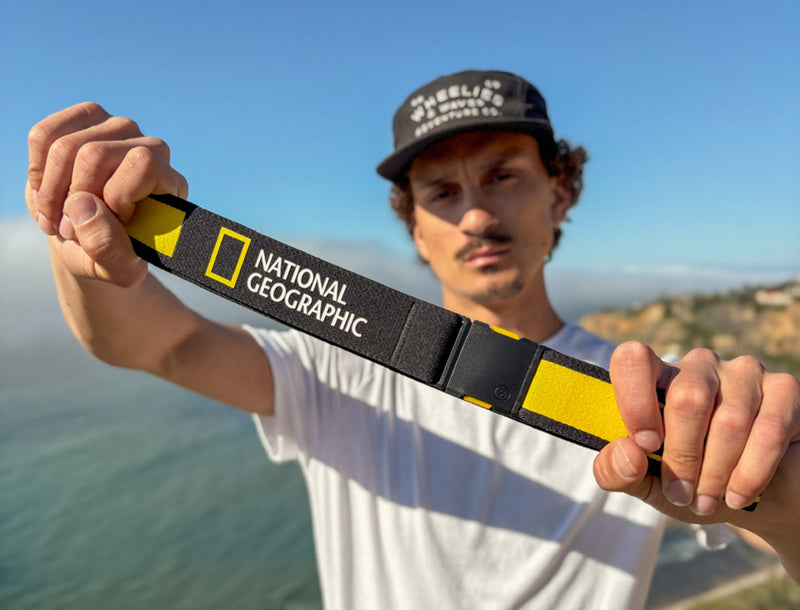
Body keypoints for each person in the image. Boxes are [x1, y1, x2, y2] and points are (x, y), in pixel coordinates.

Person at [27, 70, 799, 609]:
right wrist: (87, 246)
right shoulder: (334, 367)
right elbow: (155, 344)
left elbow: (783, 541)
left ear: (559, 194)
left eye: (503, 176)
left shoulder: (644, 400)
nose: (475, 215)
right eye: (442, 192)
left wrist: (777, 501)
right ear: (415, 229)